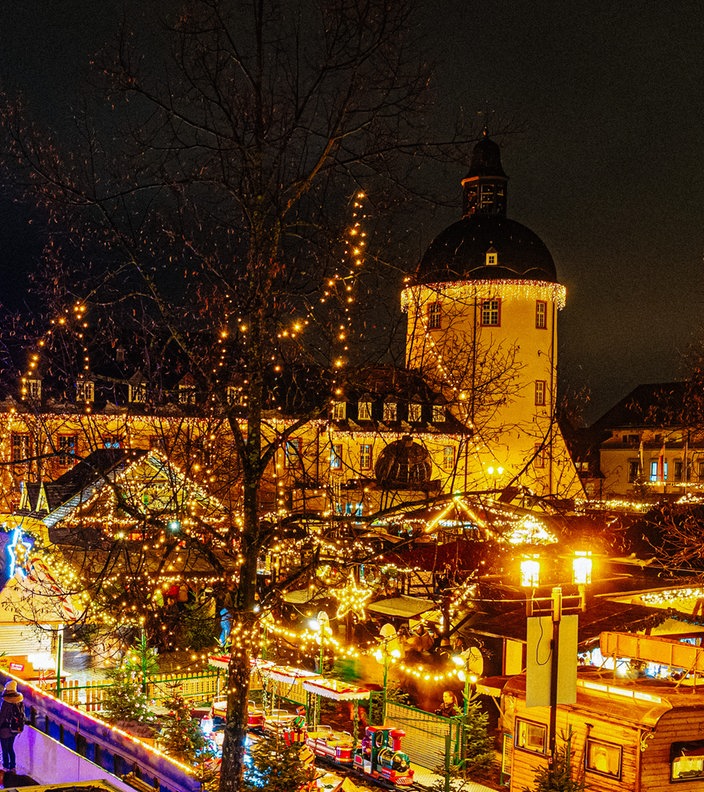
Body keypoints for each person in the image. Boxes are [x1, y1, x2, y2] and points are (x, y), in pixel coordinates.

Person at [0, 680, 25, 773]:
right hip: (15, 729)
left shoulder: (6, 702)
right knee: (10, 747)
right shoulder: (19, 700)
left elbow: (2, 716)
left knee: (4, 748)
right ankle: (13, 766)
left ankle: (6, 767)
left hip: (4, 730)